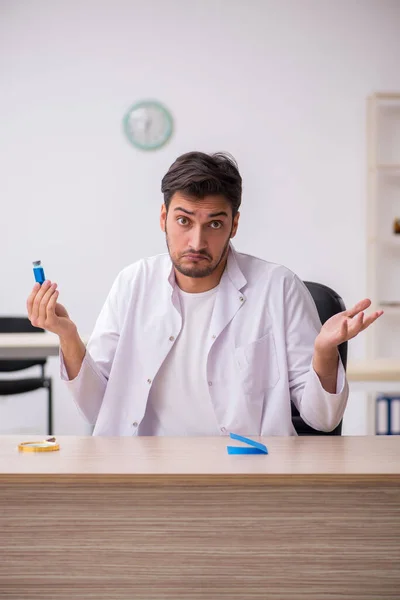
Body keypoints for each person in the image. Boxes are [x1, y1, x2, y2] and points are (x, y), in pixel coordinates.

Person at [26, 152, 383, 436]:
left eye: (214, 223)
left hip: (249, 476)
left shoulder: (279, 287)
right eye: (184, 221)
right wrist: (69, 337)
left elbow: (322, 420)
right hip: (142, 473)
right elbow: (96, 407)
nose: (197, 242)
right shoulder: (133, 282)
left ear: (234, 224)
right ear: (163, 217)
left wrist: (324, 351)